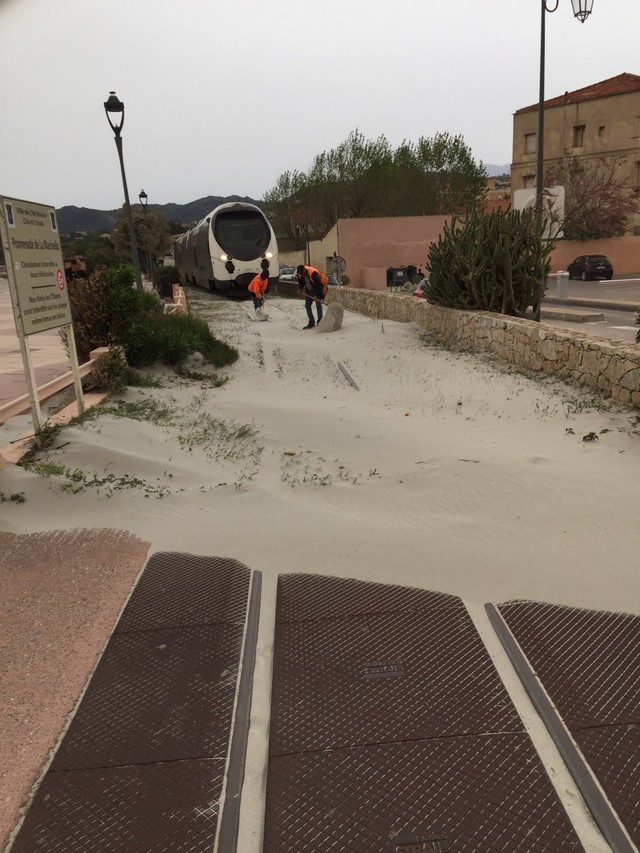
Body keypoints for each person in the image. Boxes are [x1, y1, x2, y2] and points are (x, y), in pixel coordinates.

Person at [296, 264, 325, 329]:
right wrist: (300, 289)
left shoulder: (313, 274)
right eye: (300, 274)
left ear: (304, 270)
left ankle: (320, 322)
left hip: (317, 290)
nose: (302, 275)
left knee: (318, 305)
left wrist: (316, 295)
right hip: (309, 291)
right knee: (307, 305)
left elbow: (320, 285)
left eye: (302, 273)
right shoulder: (300, 275)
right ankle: (311, 322)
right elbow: (301, 283)